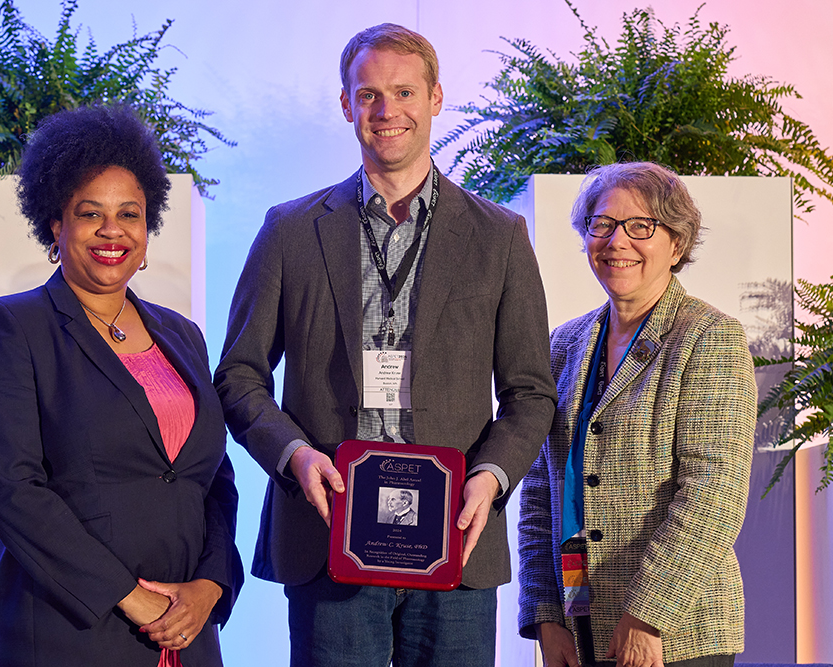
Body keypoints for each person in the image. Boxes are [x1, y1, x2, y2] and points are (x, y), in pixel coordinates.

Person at [215, 23, 556, 667]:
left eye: (404, 92)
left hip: (457, 533)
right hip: (329, 529)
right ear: (346, 105)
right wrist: (293, 456)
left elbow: (530, 393)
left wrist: (489, 478)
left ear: (435, 99)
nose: (387, 110)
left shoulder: (500, 236)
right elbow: (238, 376)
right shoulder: (289, 230)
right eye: (368, 94)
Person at [0, 104, 243, 667]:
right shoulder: (11, 328)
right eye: (91, 214)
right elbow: (14, 491)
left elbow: (213, 476)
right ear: (56, 225)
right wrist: (135, 600)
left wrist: (210, 586)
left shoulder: (181, 334)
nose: (112, 231)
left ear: (148, 227)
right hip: (73, 630)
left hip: (187, 633)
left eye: (129, 214)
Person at [517, 162, 756, 667]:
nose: (617, 241)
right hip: (577, 623)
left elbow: (714, 495)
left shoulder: (708, 339)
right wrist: (545, 617)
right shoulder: (564, 344)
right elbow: (540, 493)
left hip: (676, 633)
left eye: (640, 226)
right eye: (602, 225)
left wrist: (648, 617)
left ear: (676, 244)